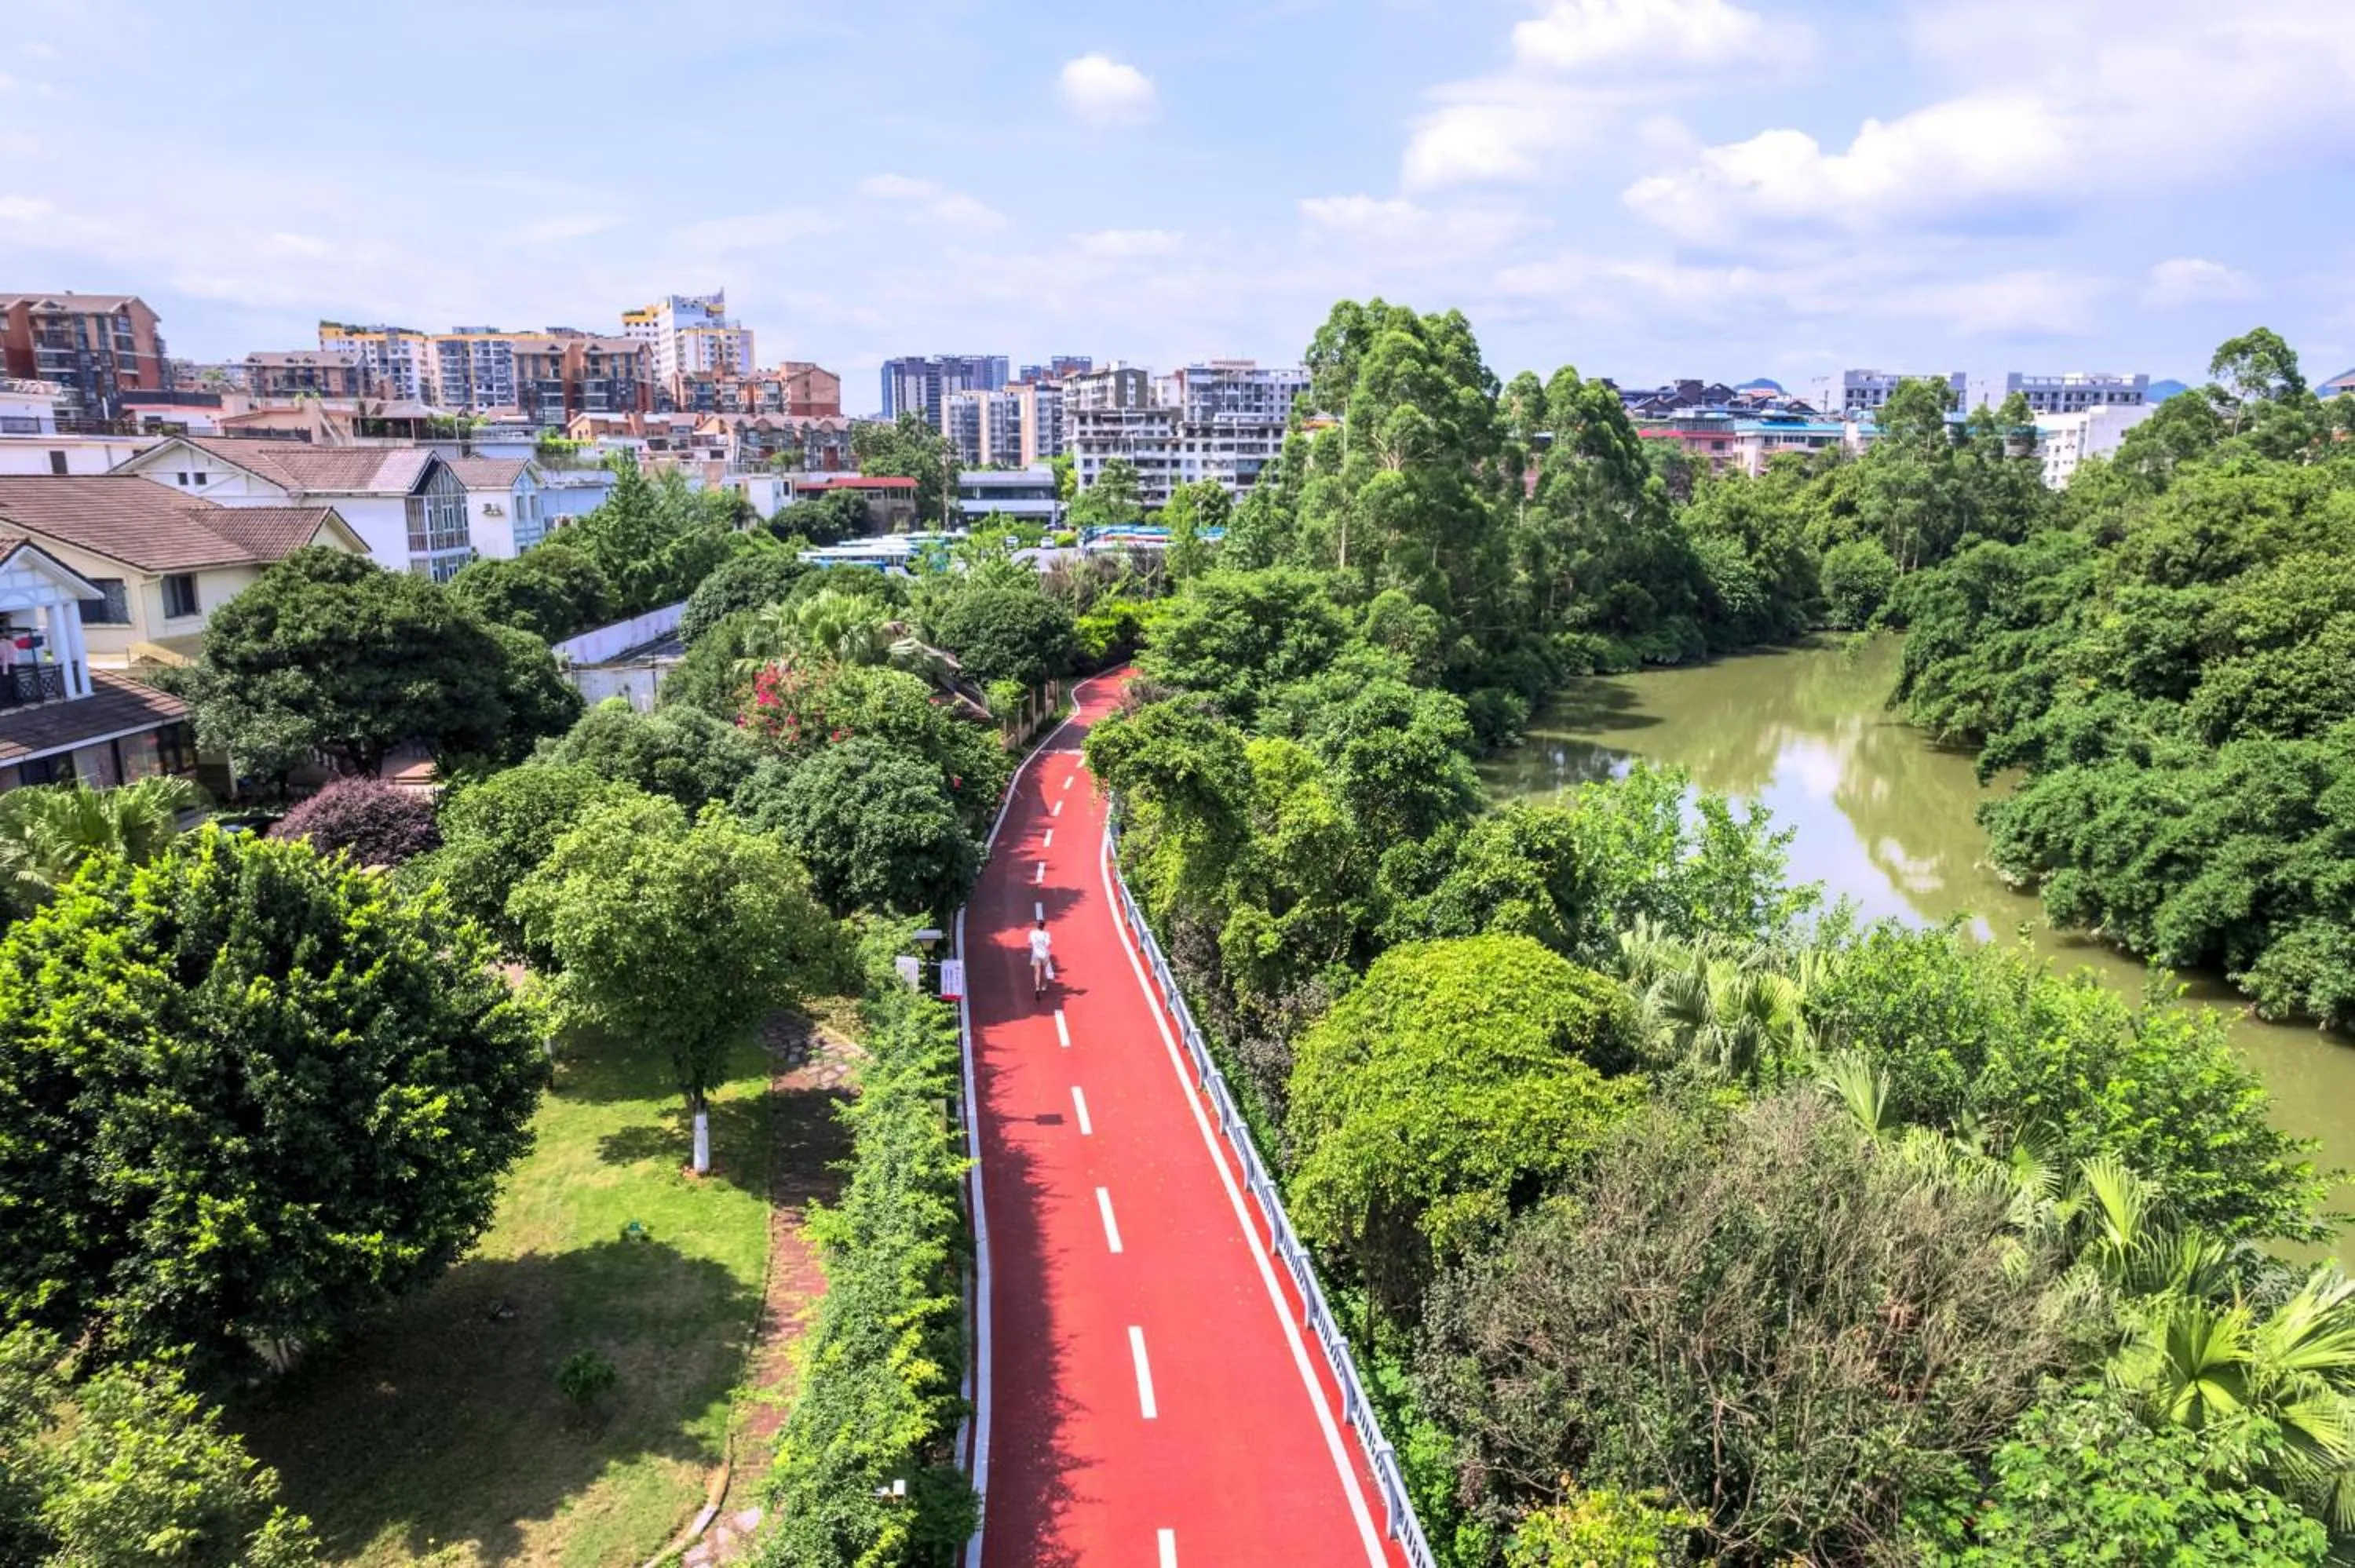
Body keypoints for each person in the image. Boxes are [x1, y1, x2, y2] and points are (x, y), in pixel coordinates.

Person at [1028, 917, 1053, 998]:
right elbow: (1049, 944)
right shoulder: (1046, 934)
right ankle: (1044, 986)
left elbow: (1029, 943)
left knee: (1037, 971)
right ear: (1043, 926)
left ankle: (1037, 987)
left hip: (1036, 955)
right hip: (1045, 954)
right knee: (1044, 970)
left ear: (1037, 926)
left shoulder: (1032, 933)